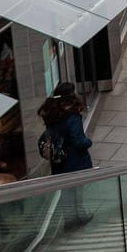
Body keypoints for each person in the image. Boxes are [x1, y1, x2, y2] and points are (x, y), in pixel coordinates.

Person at [36, 82, 94, 227]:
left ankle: (69, 220)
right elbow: (78, 140)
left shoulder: (52, 114)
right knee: (77, 190)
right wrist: (88, 142)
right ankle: (79, 216)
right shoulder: (73, 116)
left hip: (59, 161)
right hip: (75, 160)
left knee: (66, 191)